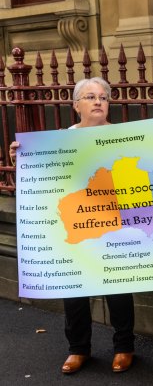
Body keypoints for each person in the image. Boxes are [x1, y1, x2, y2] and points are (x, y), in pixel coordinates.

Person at [10, 78, 136, 375]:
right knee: (75, 289)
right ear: (76, 105)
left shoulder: (126, 136)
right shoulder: (60, 141)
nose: (98, 102)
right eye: (90, 96)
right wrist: (24, 160)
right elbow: (47, 183)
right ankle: (78, 349)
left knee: (119, 287)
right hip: (77, 224)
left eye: (103, 97)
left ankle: (124, 347)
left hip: (115, 223)